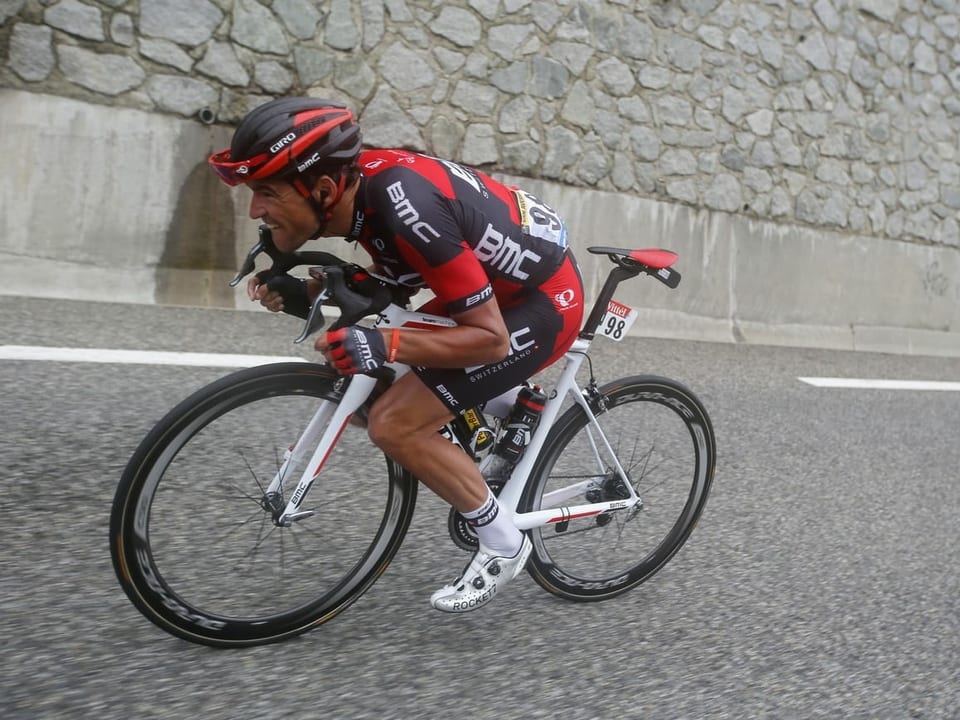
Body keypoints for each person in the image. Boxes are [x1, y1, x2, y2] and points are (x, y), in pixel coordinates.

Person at [209, 97, 584, 613]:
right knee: (375, 382)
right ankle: (514, 406)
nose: (256, 210)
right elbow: (395, 289)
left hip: (541, 302)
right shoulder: (364, 196)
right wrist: (307, 299)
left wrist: (384, 343)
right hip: (487, 287)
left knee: (395, 424)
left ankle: (503, 542)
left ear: (322, 190)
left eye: (267, 193)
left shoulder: (404, 205)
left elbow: (491, 339)